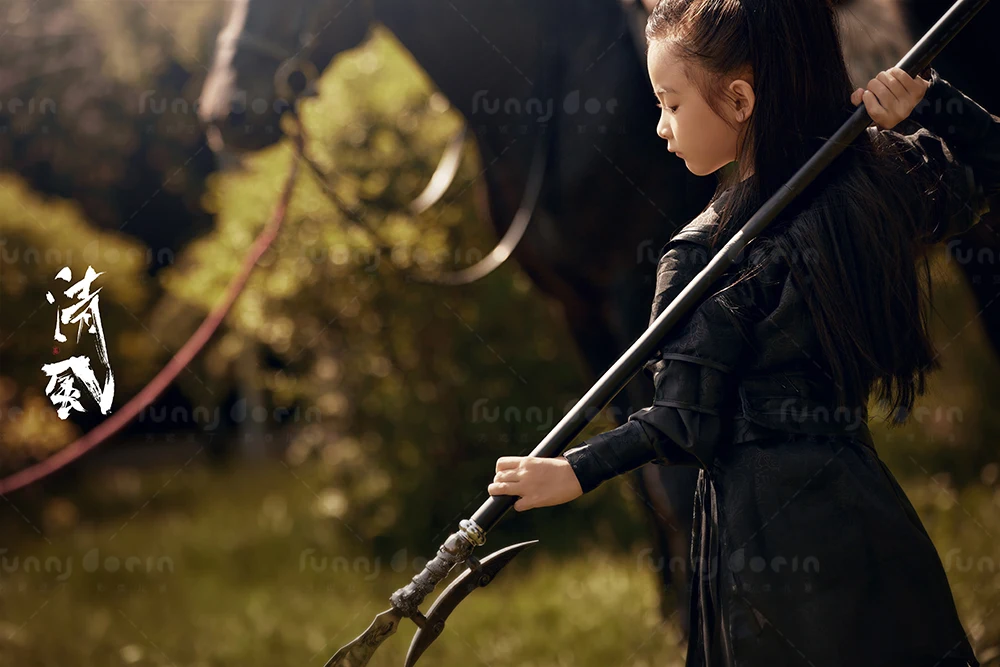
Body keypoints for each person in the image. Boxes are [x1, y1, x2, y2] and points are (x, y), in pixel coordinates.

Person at [486, 1, 1000, 665]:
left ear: (737, 99)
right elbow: (989, 167)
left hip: (762, 536)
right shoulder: (874, 183)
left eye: (670, 104)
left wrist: (574, 471)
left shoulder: (700, 251)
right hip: (865, 510)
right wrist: (932, 102)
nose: (661, 126)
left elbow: (680, 422)